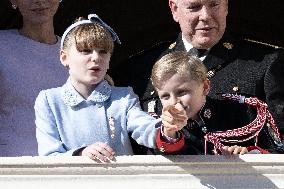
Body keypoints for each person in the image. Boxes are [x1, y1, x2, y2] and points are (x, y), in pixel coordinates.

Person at [112, 0, 284, 146]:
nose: (206, 16)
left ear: (226, 7)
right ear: (174, 9)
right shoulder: (138, 68)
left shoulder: (266, 62)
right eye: (194, 7)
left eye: (214, 4)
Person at [34, 14, 185, 162]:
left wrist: (167, 129)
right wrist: (81, 154)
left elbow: (143, 127)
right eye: (85, 51)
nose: (95, 58)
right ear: (64, 57)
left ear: (109, 60)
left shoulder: (124, 97)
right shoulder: (49, 100)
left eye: (103, 51)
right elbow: (49, 156)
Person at [154, 51, 283, 155]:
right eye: (165, 96)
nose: (174, 101)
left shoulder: (242, 111)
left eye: (182, 92)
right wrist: (170, 132)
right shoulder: (162, 125)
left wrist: (251, 154)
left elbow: (276, 151)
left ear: (205, 87)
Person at [0, 0, 67, 156]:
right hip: (11, 167)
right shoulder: (3, 45)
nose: (39, 1)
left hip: (65, 167)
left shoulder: (80, 52)